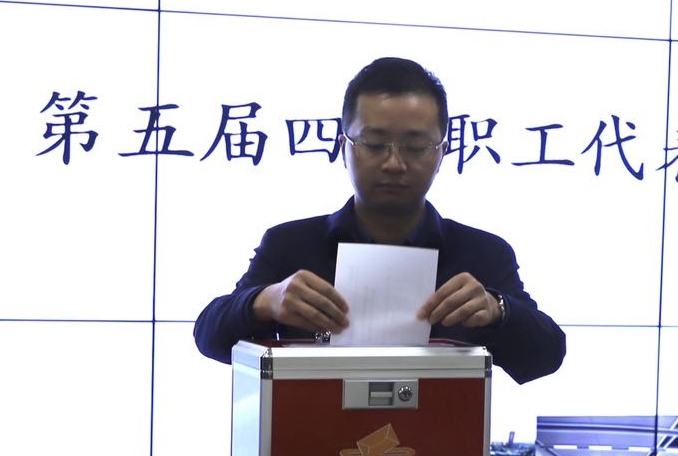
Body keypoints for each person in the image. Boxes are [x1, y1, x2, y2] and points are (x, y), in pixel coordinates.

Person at [193, 57, 566, 384]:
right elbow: (209, 337)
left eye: (416, 147)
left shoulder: (483, 253)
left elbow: (546, 357)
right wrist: (263, 301)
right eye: (373, 144)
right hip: (314, 440)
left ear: (442, 152)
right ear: (343, 147)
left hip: (440, 442)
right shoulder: (290, 244)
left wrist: (498, 310)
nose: (394, 163)